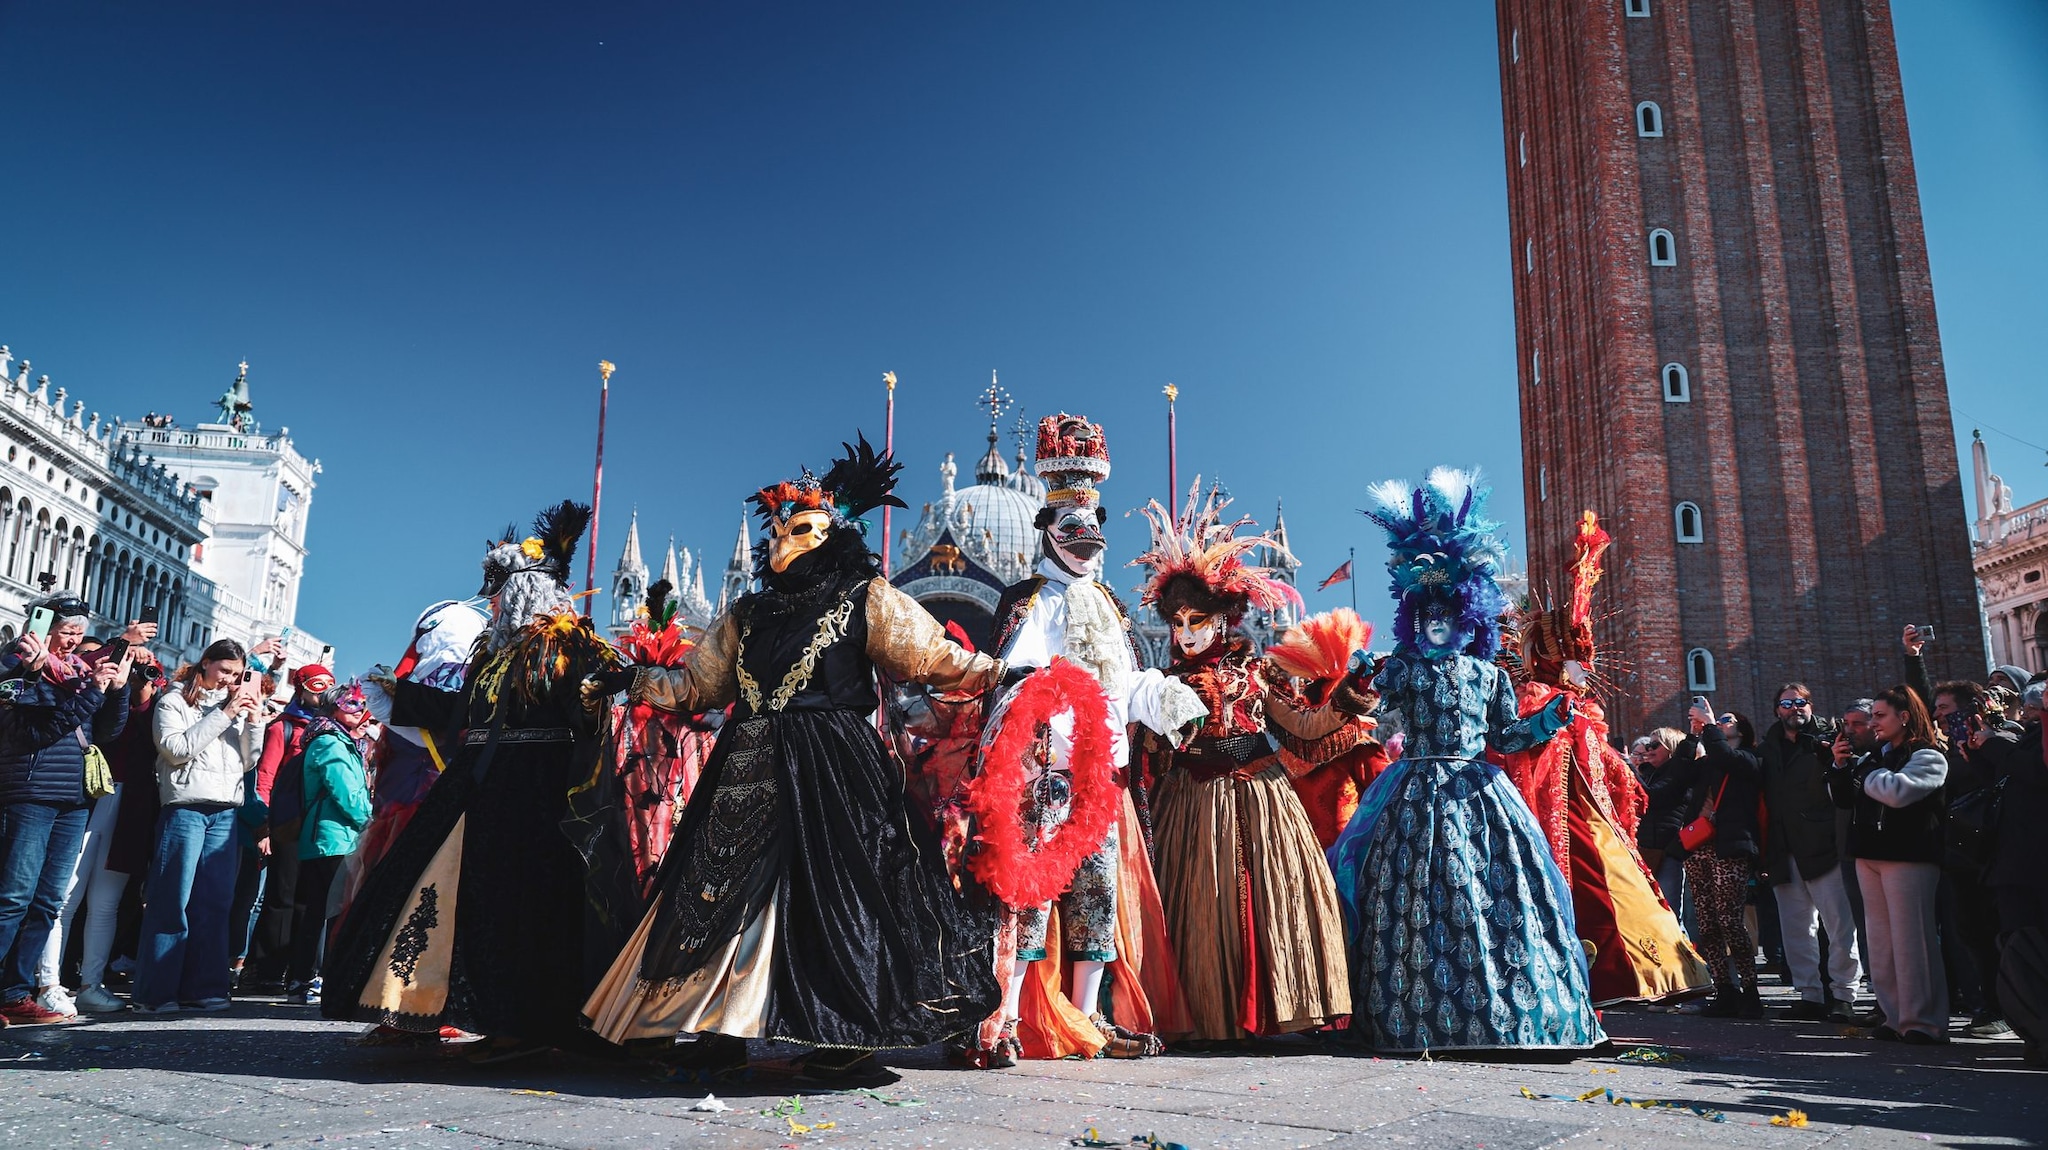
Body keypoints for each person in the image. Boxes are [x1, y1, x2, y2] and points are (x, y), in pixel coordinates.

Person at [580, 437, 1006, 1084]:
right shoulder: (747, 614)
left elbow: (930, 656)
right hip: (746, 763)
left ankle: (841, 1033)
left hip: (834, 767)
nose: (785, 541)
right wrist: (633, 678)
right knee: (721, 888)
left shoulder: (866, 597)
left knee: (836, 892)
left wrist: (1000, 672)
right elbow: (699, 686)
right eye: (778, 529)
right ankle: (717, 1025)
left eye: (801, 527)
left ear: (830, 534)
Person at [323, 501, 622, 1064]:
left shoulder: (569, 647)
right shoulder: (491, 652)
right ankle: (427, 1009)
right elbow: (463, 714)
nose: (495, 602)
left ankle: (523, 1022)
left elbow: (589, 708)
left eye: (505, 593)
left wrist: (591, 697)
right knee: (436, 886)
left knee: (519, 902)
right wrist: (402, 695)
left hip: (536, 790)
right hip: (479, 784)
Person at [1328, 468, 1604, 1053]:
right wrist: (1359, 679)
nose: (1436, 623)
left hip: (1477, 791)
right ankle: (1409, 1014)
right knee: (1409, 896)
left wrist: (1550, 718)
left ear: (1466, 616)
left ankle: (1507, 1011)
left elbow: (1507, 735)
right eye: (1426, 614)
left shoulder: (1488, 675)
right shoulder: (1403, 669)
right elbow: (1364, 705)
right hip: (1411, 794)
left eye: (1447, 614)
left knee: (1495, 892)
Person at [964, 414, 1200, 1064]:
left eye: (1094, 527)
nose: (1086, 540)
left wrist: (1165, 700)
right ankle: (1008, 1018)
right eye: (1072, 528)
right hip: (1047, 772)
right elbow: (1013, 673)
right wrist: (1043, 701)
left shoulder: (1112, 606)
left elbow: (1125, 684)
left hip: (1103, 780)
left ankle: (1089, 1016)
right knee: (1030, 895)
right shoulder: (1031, 599)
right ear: (1047, 529)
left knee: (1097, 899)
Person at [1129, 486, 1356, 1043]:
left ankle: (1284, 1005)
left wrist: (1348, 702)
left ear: (1223, 619)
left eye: (1197, 620)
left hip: (1261, 796)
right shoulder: (1164, 683)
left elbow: (1303, 726)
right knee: (1200, 905)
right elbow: (1150, 750)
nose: (1185, 634)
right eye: (1177, 623)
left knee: (1279, 895)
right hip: (1192, 803)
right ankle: (1207, 1014)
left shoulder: (1258, 673)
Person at [1493, 512, 1709, 1006]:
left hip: (1592, 816)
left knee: (1619, 888)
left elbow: (1603, 763)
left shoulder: (1582, 707)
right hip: (1553, 818)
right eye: (1575, 659)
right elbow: (1528, 759)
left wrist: (1618, 778)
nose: (1585, 668)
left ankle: (1642, 974)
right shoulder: (1536, 699)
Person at [0, 596, 132, 1025]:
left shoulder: (78, 671)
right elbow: (42, 729)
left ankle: (15, 993)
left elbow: (106, 732)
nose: (73, 639)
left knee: (47, 901)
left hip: (74, 798)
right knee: (13, 897)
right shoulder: (16, 666)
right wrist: (92, 691)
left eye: (79, 632)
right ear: (41, 627)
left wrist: (118, 690)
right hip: (31, 791)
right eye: (66, 630)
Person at [135, 639, 265, 1014]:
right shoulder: (174, 700)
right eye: (224, 670)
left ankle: (203, 987)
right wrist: (225, 713)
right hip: (185, 807)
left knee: (214, 903)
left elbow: (248, 762)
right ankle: (154, 992)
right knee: (171, 899)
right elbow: (176, 750)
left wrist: (254, 721)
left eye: (236, 675)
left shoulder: (233, 704)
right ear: (205, 663)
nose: (229, 680)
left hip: (225, 810)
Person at [1830, 685, 1949, 1044]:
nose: (1873, 723)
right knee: (1881, 942)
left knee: (1912, 940)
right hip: (1869, 854)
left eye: (1880, 716)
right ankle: (1894, 1016)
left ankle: (1923, 1022)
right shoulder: (1876, 756)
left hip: (1909, 856)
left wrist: (1864, 771)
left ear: (1905, 717)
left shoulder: (1929, 755)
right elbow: (1844, 799)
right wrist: (1840, 766)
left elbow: (1897, 792)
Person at [1758, 683, 1863, 1023]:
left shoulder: (1828, 739)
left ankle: (1844, 994)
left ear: (1811, 705)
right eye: (1787, 703)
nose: (1795, 708)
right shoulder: (1768, 747)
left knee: (1839, 926)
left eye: (1801, 702)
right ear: (1777, 709)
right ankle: (1810, 994)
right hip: (1783, 847)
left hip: (1823, 846)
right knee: (1797, 928)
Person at [1265, 608, 1392, 851]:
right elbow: (1388, 796)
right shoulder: (1360, 747)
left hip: (1305, 853)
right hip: (1339, 854)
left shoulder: (1288, 752)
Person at [243, 660, 336, 994]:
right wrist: (265, 826)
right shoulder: (282, 727)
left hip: (318, 824)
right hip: (287, 822)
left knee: (306, 900)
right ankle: (265, 969)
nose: (324, 693)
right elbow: (265, 777)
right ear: (301, 689)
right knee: (280, 896)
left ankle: (297, 970)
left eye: (330, 686)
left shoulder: (332, 729)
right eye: (317, 686)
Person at [1673, 705, 1763, 1018]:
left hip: (1730, 846)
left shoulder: (1750, 758)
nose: (1720, 723)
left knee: (1730, 922)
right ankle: (1724, 989)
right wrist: (1692, 737)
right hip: (1699, 847)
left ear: (1743, 729)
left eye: (1727, 720)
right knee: (1707, 924)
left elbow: (1727, 758)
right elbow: (1679, 774)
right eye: (1718, 720)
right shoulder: (1708, 762)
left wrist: (1710, 726)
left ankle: (1750, 991)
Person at [287, 682, 372, 1005]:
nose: (360, 709)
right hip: (332, 838)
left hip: (334, 837)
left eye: (362, 704)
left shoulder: (341, 741)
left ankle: (308, 979)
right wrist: (371, 821)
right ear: (334, 706)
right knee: (329, 913)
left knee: (323, 911)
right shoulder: (329, 742)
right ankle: (312, 979)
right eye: (352, 703)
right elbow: (346, 793)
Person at [1635, 727, 1692, 928]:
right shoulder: (1648, 774)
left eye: (1655, 745)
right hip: (1646, 850)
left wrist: (1629, 769)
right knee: (1645, 911)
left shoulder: (1678, 774)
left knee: (1669, 913)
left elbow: (1651, 796)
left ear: (1671, 748)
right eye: (1647, 746)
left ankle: (1681, 949)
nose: (1649, 750)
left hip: (1669, 851)